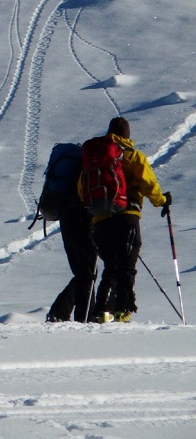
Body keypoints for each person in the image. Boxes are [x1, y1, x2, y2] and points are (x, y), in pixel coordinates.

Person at [83, 117, 171, 323]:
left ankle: (100, 312)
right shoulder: (132, 156)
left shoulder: (96, 158)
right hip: (127, 216)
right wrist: (162, 201)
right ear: (127, 135)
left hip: (101, 219)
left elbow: (82, 187)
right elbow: (149, 184)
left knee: (110, 266)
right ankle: (123, 310)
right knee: (127, 265)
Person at [46, 203, 98, 322]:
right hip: (83, 216)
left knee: (83, 272)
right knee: (88, 272)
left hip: (66, 216)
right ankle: (61, 312)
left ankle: (83, 315)